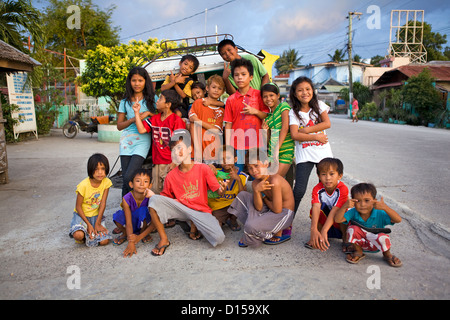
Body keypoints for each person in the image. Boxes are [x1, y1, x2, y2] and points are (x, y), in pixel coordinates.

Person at [122, 129, 228, 257]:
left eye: (179, 148)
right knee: (154, 200)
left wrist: (222, 190)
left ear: (189, 149)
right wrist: (153, 197)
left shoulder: (203, 168)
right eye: (173, 149)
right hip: (181, 209)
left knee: (219, 238)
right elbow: (162, 203)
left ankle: (193, 223)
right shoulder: (171, 176)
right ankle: (164, 239)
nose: (176, 152)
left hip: (200, 211)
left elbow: (218, 192)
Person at [227, 149, 295, 247]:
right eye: (250, 168)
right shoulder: (255, 182)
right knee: (242, 195)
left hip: (283, 214)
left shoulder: (274, 180)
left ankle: (270, 231)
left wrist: (264, 198)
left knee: (251, 226)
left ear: (266, 164)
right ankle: (258, 226)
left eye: (256, 165)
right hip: (269, 209)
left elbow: (277, 210)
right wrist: (256, 191)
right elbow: (258, 208)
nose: (253, 171)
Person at [289, 76, 333, 215]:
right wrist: (315, 136)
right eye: (300, 90)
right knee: (299, 190)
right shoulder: (293, 112)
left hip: (323, 154)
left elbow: (327, 123)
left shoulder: (319, 105)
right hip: (305, 155)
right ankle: (287, 222)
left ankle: (329, 222)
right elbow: (295, 135)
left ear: (312, 91)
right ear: (295, 94)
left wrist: (306, 130)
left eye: (308, 89)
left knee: (328, 187)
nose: (305, 93)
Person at [335, 183, 403, 267]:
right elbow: (338, 219)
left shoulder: (379, 212)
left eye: (367, 200)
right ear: (353, 201)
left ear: (374, 200)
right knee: (352, 229)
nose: (362, 204)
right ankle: (358, 252)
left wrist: (385, 207)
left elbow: (398, 219)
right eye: (358, 201)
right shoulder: (353, 212)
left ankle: (387, 254)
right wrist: (344, 206)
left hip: (377, 244)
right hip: (359, 244)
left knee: (383, 236)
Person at [133, 90, 186, 195]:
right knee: (156, 193)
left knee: (170, 193)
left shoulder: (176, 120)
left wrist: (175, 162)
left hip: (170, 163)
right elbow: (142, 129)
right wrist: (136, 112)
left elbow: (181, 143)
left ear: (168, 104)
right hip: (156, 163)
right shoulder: (155, 119)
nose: (157, 101)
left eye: (160, 98)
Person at [224, 58, 270, 172]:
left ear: (251, 77)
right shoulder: (230, 99)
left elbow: (266, 116)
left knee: (260, 175)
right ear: (233, 78)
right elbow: (228, 124)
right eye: (236, 75)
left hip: (258, 144)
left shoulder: (259, 95)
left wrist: (255, 111)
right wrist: (229, 147)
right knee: (237, 174)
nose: (240, 77)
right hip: (238, 145)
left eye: (243, 74)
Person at [117, 67, 156, 197]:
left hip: (143, 139)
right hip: (126, 140)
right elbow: (119, 125)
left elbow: (161, 115)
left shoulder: (152, 99)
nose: (137, 84)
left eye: (140, 80)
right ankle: (125, 210)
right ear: (130, 82)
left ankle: (132, 208)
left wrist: (149, 113)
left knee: (129, 176)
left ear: (145, 81)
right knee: (126, 179)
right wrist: (135, 118)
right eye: (134, 80)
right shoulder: (125, 101)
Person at [305, 158, 349, 252]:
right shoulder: (317, 189)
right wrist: (313, 230)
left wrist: (325, 230)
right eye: (323, 174)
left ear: (340, 176)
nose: (328, 178)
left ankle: (345, 238)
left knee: (343, 212)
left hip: (339, 223)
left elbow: (335, 210)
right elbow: (316, 207)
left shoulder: (343, 189)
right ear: (319, 176)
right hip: (327, 220)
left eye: (332, 174)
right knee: (314, 210)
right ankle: (318, 236)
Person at [69, 153, 112, 247]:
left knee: (104, 242)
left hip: (96, 216)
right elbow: (78, 207)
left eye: (103, 169)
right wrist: (88, 224)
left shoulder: (106, 182)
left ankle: (90, 233)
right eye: (96, 169)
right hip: (82, 217)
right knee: (78, 235)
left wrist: (97, 223)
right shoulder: (83, 185)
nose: (100, 172)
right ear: (90, 169)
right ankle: (84, 234)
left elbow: (103, 203)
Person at [208, 145, 249, 230]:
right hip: (218, 206)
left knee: (240, 204)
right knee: (217, 230)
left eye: (228, 158)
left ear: (235, 159)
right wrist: (210, 165)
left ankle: (232, 220)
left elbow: (243, 195)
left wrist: (238, 179)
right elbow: (203, 168)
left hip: (233, 205)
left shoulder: (242, 176)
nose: (225, 161)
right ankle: (222, 220)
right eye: (222, 159)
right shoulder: (216, 172)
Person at [112, 168, 154, 249]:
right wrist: (131, 242)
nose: (142, 184)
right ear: (131, 184)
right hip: (131, 222)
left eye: (145, 181)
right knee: (117, 216)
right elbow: (128, 222)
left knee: (143, 211)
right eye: (138, 181)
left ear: (150, 186)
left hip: (144, 223)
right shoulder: (126, 198)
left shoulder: (151, 197)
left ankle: (143, 234)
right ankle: (125, 234)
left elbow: (154, 221)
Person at [260, 82, 294, 178]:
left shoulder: (283, 107)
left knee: (275, 179)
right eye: (265, 96)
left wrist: (276, 150)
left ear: (278, 95)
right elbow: (268, 142)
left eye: (271, 95)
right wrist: (264, 132)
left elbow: (285, 128)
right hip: (272, 153)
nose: (268, 99)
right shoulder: (268, 118)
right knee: (270, 182)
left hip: (285, 151)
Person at [189, 74, 226, 163]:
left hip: (213, 152)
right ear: (207, 88)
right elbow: (192, 123)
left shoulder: (221, 110)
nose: (216, 90)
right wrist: (197, 149)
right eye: (213, 87)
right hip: (197, 151)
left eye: (219, 88)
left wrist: (198, 121)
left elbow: (217, 130)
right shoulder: (198, 103)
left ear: (223, 92)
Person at [161, 54, 200, 120]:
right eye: (185, 64)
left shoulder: (189, 81)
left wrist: (175, 83)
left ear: (192, 72)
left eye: (190, 67)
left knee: (178, 113)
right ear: (180, 63)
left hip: (181, 106)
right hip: (168, 105)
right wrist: (174, 81)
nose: (186, 67)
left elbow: (183, 95)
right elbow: (162, 89)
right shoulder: (171, 76)